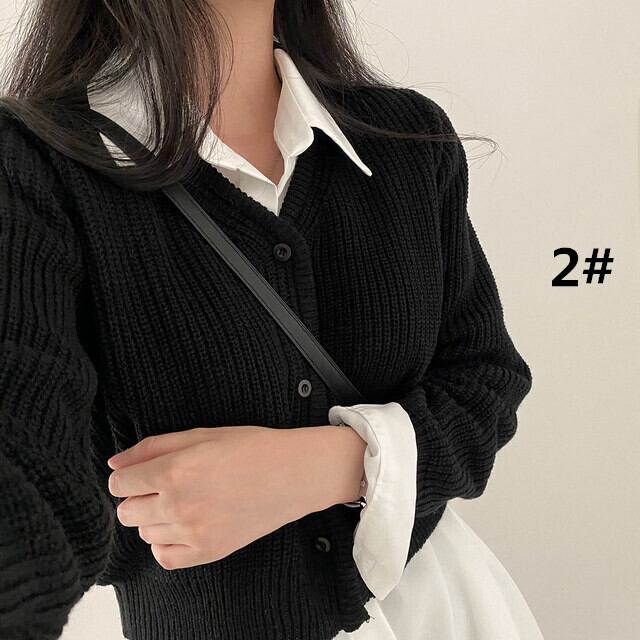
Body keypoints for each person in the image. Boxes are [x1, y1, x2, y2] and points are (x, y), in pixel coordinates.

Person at [0, 1, 544, 639]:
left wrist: (331, 464)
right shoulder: (32, 163)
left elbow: (486, 384)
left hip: (447, 612)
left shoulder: (405, 140)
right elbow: (27, 471)